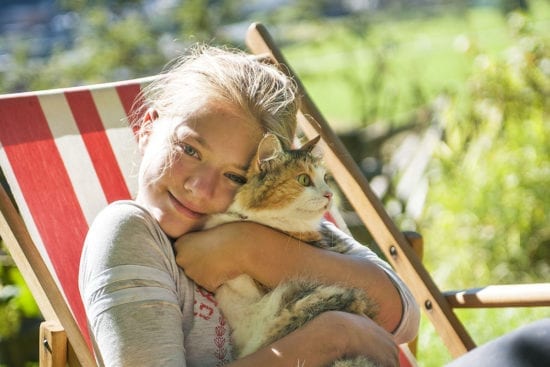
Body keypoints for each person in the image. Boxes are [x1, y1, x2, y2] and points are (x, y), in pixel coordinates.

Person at [78, 45, 420, 367]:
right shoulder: (130, 233)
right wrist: (334, 336)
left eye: (235, 176)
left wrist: (249, 249)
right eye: (190, 150)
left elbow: (402, 316)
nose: (200, 189)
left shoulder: (263, 224)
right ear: (147, 130)